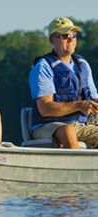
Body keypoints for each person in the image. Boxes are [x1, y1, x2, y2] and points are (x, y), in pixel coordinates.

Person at [29, 17, 98, 149]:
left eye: (74, 35)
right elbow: (45, 108)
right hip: (48, 126)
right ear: (52, 40)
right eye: (65, 36)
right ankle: (76, 169)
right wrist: (78, 105)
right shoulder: (43, 66)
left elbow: (93, 98)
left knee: (70, 130)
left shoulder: (83, 64)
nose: (71, 39)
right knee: (68, 131)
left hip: (80, 125)